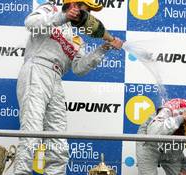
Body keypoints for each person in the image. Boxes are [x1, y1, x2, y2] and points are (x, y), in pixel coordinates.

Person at [13, 0, 123, 174]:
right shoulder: (52, 9)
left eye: (88, 13)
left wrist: (104, 48)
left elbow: (79, 68)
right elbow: (31, 23)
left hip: (56, 79)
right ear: (74, 4)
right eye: (85, 10)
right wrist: (62, 16)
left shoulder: (77, 38)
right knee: (31, 132)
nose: (87, 16)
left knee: (58, 141)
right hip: (37, 69)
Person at [136, 98, 186, 175]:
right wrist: (181, 117)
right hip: (150, 142)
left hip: (174, 143)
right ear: (185, 126)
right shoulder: (171, 108)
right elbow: (153, 133)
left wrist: (185, 169)